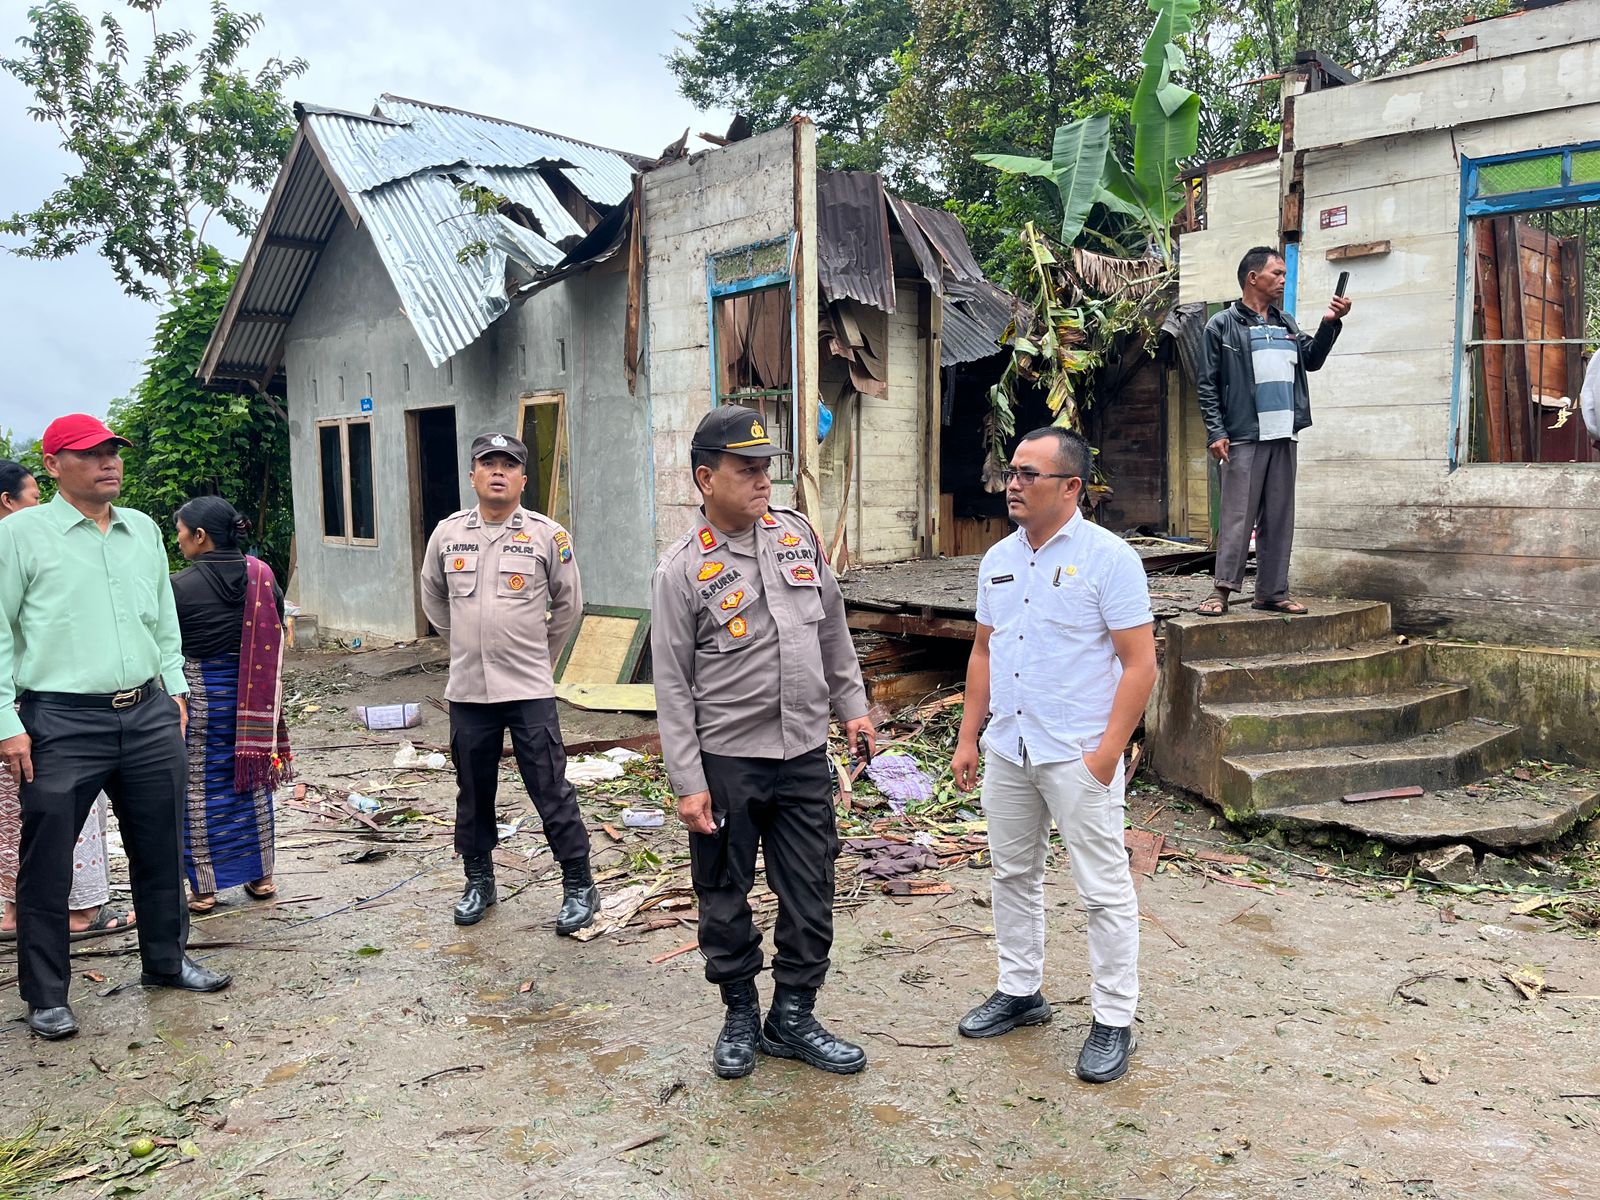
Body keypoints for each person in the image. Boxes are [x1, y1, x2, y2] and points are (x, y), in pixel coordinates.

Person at [651, 405, 877, 1080]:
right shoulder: (682, 570)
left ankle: (794, 1017)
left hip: (804, 754)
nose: (762, 481)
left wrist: (854, 711)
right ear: (704, 478)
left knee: (811, 891)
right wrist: (687, 781)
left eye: (766, 468)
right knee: (724, 893)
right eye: (746, 470)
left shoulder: (797, 539)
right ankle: (741, 1013)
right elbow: (671, 684)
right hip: (727, 763)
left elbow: (833, 631)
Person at [0, 415, 230, 1042]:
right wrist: (6, 722)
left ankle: (165, 959)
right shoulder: (21, 535)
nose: (108, 463)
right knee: (47, 862)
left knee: (161, 844)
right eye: (89, 454)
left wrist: (175, 690)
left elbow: (161, 619)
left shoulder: (142, 530)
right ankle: (46, 994)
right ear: (51, 465)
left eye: (112, 452)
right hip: (59, 720)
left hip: (149, 712)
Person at [950, 427, 1157, 1084]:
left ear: (1070, 487)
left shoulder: (1110, 559)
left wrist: (1106, 754)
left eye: (1028, 474)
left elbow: (1140, 664)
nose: (1013, 484)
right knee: (1013, 876)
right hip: (1009, 748)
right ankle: (1020, 992)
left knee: (1102, 890)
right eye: (1010, 472)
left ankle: (1113, 1018)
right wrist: (967, 734)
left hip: (1076, 753)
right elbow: (983, 652)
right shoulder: (998, 561)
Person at [420, 432, 597, 934]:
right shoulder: (448, 534)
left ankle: (579, 885)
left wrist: (539, 656)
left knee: (550, 787)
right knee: (473, 791)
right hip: (469, 691)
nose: (498, 471)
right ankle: (479, 881)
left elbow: (569, 605)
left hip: (529, 690)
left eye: (509, 464)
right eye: (487, 463)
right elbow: (433, 595)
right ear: (473, 476)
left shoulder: (547, 535)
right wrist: (465, 642)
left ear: (522, 479)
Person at [0, 461, 132, 940]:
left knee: (21, 818)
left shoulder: (125, 532)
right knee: (58, 820)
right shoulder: (24, 544)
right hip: (36, 710)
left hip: (24, 711)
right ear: (7, 503)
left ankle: (17, 910)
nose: (36, 505)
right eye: (31, 495)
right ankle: (76, 911)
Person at [1195, 246, 1352, 617]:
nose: (1283, 279)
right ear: (1253, 278)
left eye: (1283, 273)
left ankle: (1272, 592)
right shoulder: (1221, 325)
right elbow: (1207, 383)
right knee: (1237, 515)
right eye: (1276, 273)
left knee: (1280, 516)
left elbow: (1311, 360)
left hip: (1284, 432)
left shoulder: (1287, 323)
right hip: (1243, 434)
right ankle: (1222, 591)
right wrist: (1216, 431)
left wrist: (1330, 322)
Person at [170, 496, 291, 913]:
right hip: (253, 702)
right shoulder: (261, 575)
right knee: (251, 782)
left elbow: (168, 648)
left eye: (182, 531)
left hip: (200, 699)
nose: (179, 539)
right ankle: (261, 876)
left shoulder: (178, 587)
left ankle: (204, 888)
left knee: (199, 791)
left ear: (201, 536)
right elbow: (275, 621)